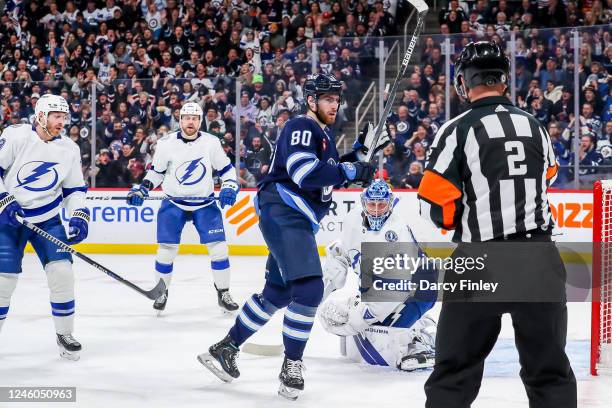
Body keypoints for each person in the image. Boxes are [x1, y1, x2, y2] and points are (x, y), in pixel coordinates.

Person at [197, 73, 384, 400]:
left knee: (278, 293)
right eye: (327, 99)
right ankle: (292, 365)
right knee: (311, 289)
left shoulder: (322, 135)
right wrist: (348, 171)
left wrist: (357, 156)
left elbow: (326, 174)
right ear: (311, 101)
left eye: (336, 99)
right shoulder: (302, 126)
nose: (334, 104)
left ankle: (224, 348)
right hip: (285, 210)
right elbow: (303, 172)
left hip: (290, 215)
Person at [418, 41, 577, 408]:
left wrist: (454, 218)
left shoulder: (457, 129)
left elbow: (436, 197)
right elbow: (547, 174)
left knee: (455, 371)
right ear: (504, 82)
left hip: (479, 259)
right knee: (550, 371)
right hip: (539, 259)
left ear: (464, 82)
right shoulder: (535, 126)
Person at [126, 102, 239, 315]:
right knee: (166, 251)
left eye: (195, 118)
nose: (190, 121)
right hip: (173, 203)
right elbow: (156, 172)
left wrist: (230, 186)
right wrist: (143, 189)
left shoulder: (211, 142)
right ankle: (162, 292)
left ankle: (223, 292)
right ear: (180, 120)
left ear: (200, 121)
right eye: (187, 117)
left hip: (204, 203)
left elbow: (226, 169)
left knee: (219, 249)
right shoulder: (166, 143)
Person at [0, 94, 90, 360]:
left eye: (64, 117)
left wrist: (78, 214)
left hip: (48, 219)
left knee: (62, 274)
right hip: (9, 220)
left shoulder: (69, 149)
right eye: (56, 117)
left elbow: (74, 189)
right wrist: (4, 199)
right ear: (41, 116)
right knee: (3, 282)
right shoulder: (16, 137)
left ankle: (65, 333)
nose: (62, 122)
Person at [318, 180, 437, 371]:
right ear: (363, 202)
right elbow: (343, 251)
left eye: (381, 205)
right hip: (379, 287)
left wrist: (357, 320)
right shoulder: (353, 219)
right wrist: (322, 287)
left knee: (386, 330)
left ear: (390, 204)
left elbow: (391, 293)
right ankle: (418, 324)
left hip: (417, 286)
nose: (375, 210)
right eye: (371, 204)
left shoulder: (396, 234)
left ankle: (423, 339)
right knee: (372, 325)